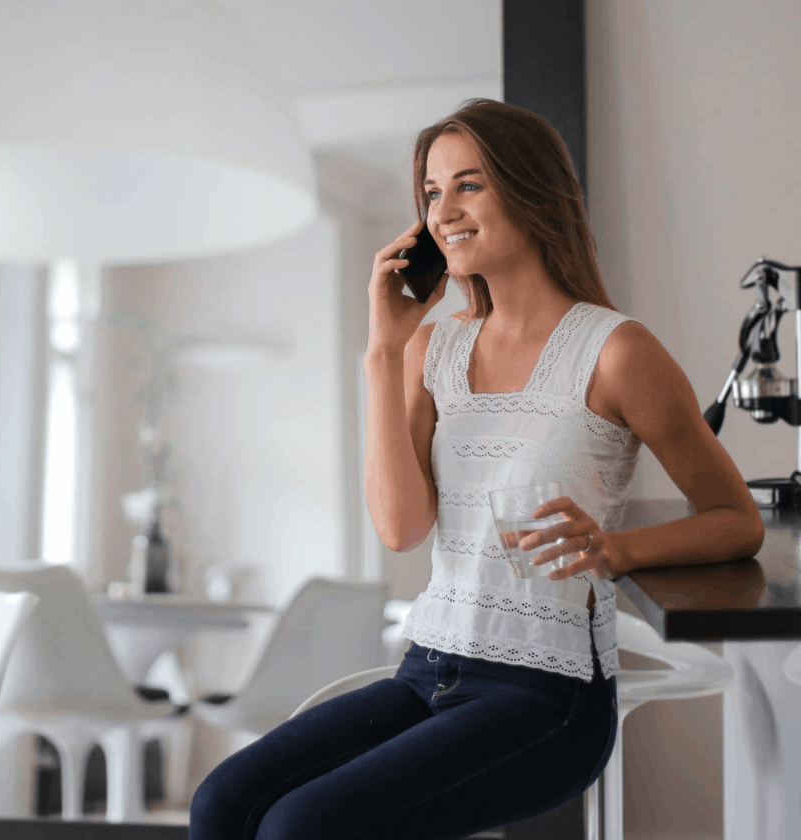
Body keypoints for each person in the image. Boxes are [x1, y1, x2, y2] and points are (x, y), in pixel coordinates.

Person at [188, 98, 764, 840]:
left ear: (531, 191)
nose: (442, 211)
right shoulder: (433, 351)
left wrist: (618, 551)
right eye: (431, 192)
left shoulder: (618, 352)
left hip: (550, 696)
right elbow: (400, 528)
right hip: (427, 667)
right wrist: (382, 352)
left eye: (469, 185)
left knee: (303, 826)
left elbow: (735, 519)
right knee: (221, 803)